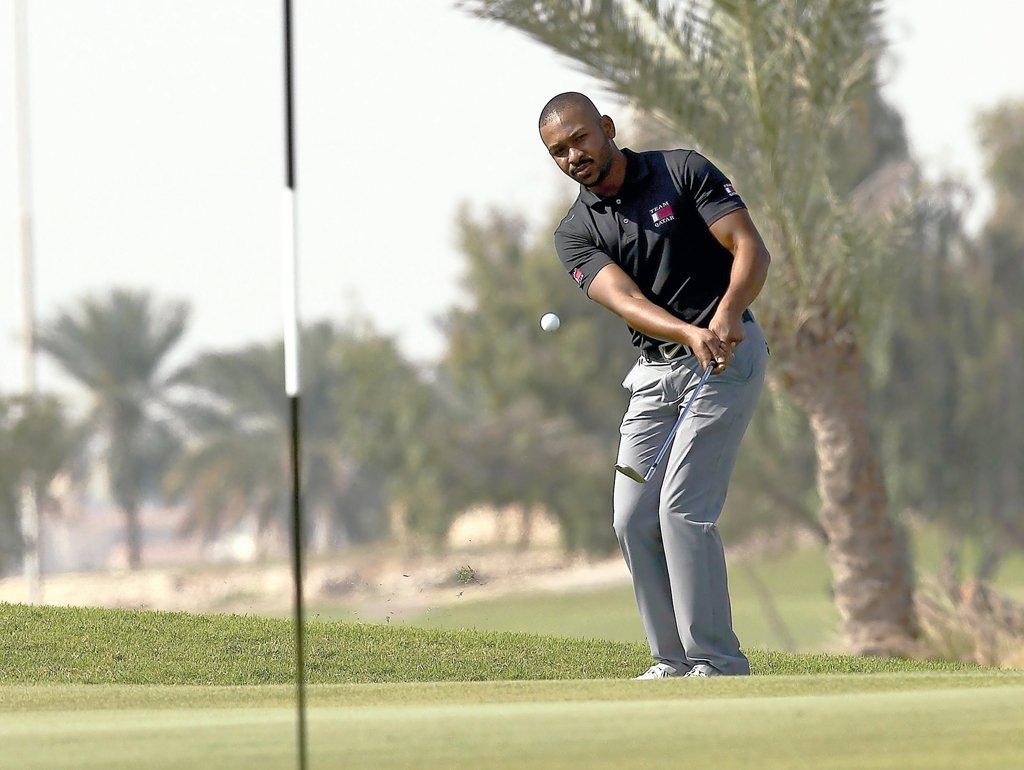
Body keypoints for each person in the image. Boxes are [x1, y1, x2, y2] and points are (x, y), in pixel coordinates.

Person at [538, 92, 770, 678]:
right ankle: (670, 662)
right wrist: (689, 332)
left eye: (580, 140)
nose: (573, 156)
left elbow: (750, 248)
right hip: (655, 374)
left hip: (725, 359)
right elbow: (626, 301)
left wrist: (728, 314)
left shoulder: (681, 171)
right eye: (558, 152)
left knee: (682, 509)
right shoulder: (576, 231)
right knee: (631, 518)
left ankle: (716, 660)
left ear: (607, 128)